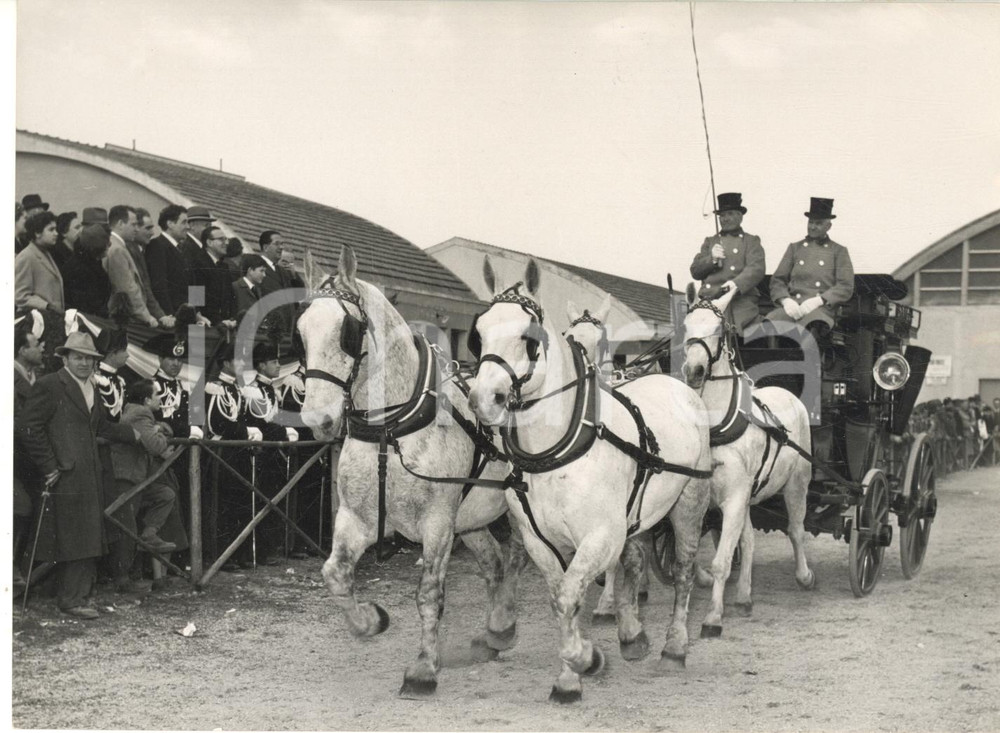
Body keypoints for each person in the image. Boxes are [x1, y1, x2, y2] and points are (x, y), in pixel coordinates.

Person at [17, 331, 139, 619]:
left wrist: (134, 434)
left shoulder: (91, 388)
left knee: (86, 536)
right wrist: (48, 466)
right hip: (64, 474)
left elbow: (99, 427)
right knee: (70, 537)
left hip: (88, 472)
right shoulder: (51, 385)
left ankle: (75, 596)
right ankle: (69, 599)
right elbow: (28, 427)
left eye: (89, 358)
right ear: (65, 358)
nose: (84, 363)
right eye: (78, 357)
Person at [108, 380, 182, 592]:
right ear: (147, 399)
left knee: (165, 494)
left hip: (138, 477)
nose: (161, 399)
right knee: (126, 527)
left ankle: (149, 533)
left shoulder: (140, 413)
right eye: (157, 395)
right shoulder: (141, 414)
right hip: (127, 476)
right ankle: (122, 580)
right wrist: (160, 430)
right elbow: (157, 445)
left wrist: (158, 428)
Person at [767, 197, 855, 342]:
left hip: (821, 310)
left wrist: (820, 300)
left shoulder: (839, 251)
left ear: (829, 226)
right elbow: (777, 280)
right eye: (811, 222)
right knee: (768, 325)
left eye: (818, 223)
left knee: (809, 330)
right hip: (794, 306)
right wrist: (785, 301)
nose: (813, 227)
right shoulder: (794, 248)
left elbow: (845, 286)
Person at [205, 343, 262, 569]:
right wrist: (246, 431)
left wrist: (251, 431)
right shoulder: (214, 387)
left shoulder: (236, 389)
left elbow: (243, 416)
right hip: (223, 451)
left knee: (240, 501)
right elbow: (217, 423)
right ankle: (223, 554)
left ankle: (239, 553)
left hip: (238, 450)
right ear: (227, 363)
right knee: (224, 504)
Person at [243, 342, 297, 564]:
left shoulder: (271, 389)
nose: (278, 366)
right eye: (273, 362)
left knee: (275, 497)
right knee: (262, 498)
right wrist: (285, 432)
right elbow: (264, 423)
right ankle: (260, 552)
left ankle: (270, 548)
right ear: (261, 365)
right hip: (260, 452)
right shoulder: (254, 390)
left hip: (274, 453)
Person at [689, 192, 765, 334]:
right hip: (709, 299)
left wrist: (735, 284)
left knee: (728, 329)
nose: (725, 219)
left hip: (739, 300)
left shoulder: (751, 241)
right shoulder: (710, 242)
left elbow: (756, 269)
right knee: (691, 329)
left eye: (730, 214)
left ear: (740, 216)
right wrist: (711, 259)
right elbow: (695, 271)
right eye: (722, 216)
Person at [14, 317, 46, 589]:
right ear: (22, 350)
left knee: (31, 510)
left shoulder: (35, 378)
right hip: (15, 458)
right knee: (20, 509)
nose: (42, 349)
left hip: (32, 459)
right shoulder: (10, 378)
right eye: (36, 345)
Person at [105, 205, 160, 327]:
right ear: (120, 223)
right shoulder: (118, 249)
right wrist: (147, 317)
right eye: (134, 225)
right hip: (129, 319)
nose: (136, 229)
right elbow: (127, 287)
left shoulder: (119, 246)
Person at [15, 210, 65, 314]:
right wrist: (46, 306)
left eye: (56, 229)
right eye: (51, 230)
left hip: (52, 320)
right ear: (37, 233)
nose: (56, 233)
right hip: (39, 322)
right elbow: (20, 296)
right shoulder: (26, 256)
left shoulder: (45, 253)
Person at [145, 204, 192, 315]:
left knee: (199, 332)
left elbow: (193, 282)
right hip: (172, 318)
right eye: (184, 222)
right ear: (170, 224)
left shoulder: (183, 249)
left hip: (188, 316)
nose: (188, 227)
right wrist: (169, 315)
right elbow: (159, 285)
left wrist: (198, 313)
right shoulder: (156, 246)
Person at [63, 223, 113, 317]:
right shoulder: (80, 269)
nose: (108, 247)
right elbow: (87, 303)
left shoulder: (92, 262)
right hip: (87, 319)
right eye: (105, 245)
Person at [196, 225, 237, 328]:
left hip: (223, 326)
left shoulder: (224, 266)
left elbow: (229, 298)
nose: (226, 243)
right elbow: (197, 300)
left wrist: (231, 319)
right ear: (209, 242)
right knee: (196, 345)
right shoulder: (197, 264)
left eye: (226, 239)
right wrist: (218, 321)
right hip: (203, 326)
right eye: (221, 239)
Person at [233, 253, 268, 323]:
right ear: (250, 271)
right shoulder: (235, 287)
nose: (264, 275)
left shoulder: (258, 290)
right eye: (261, 271)